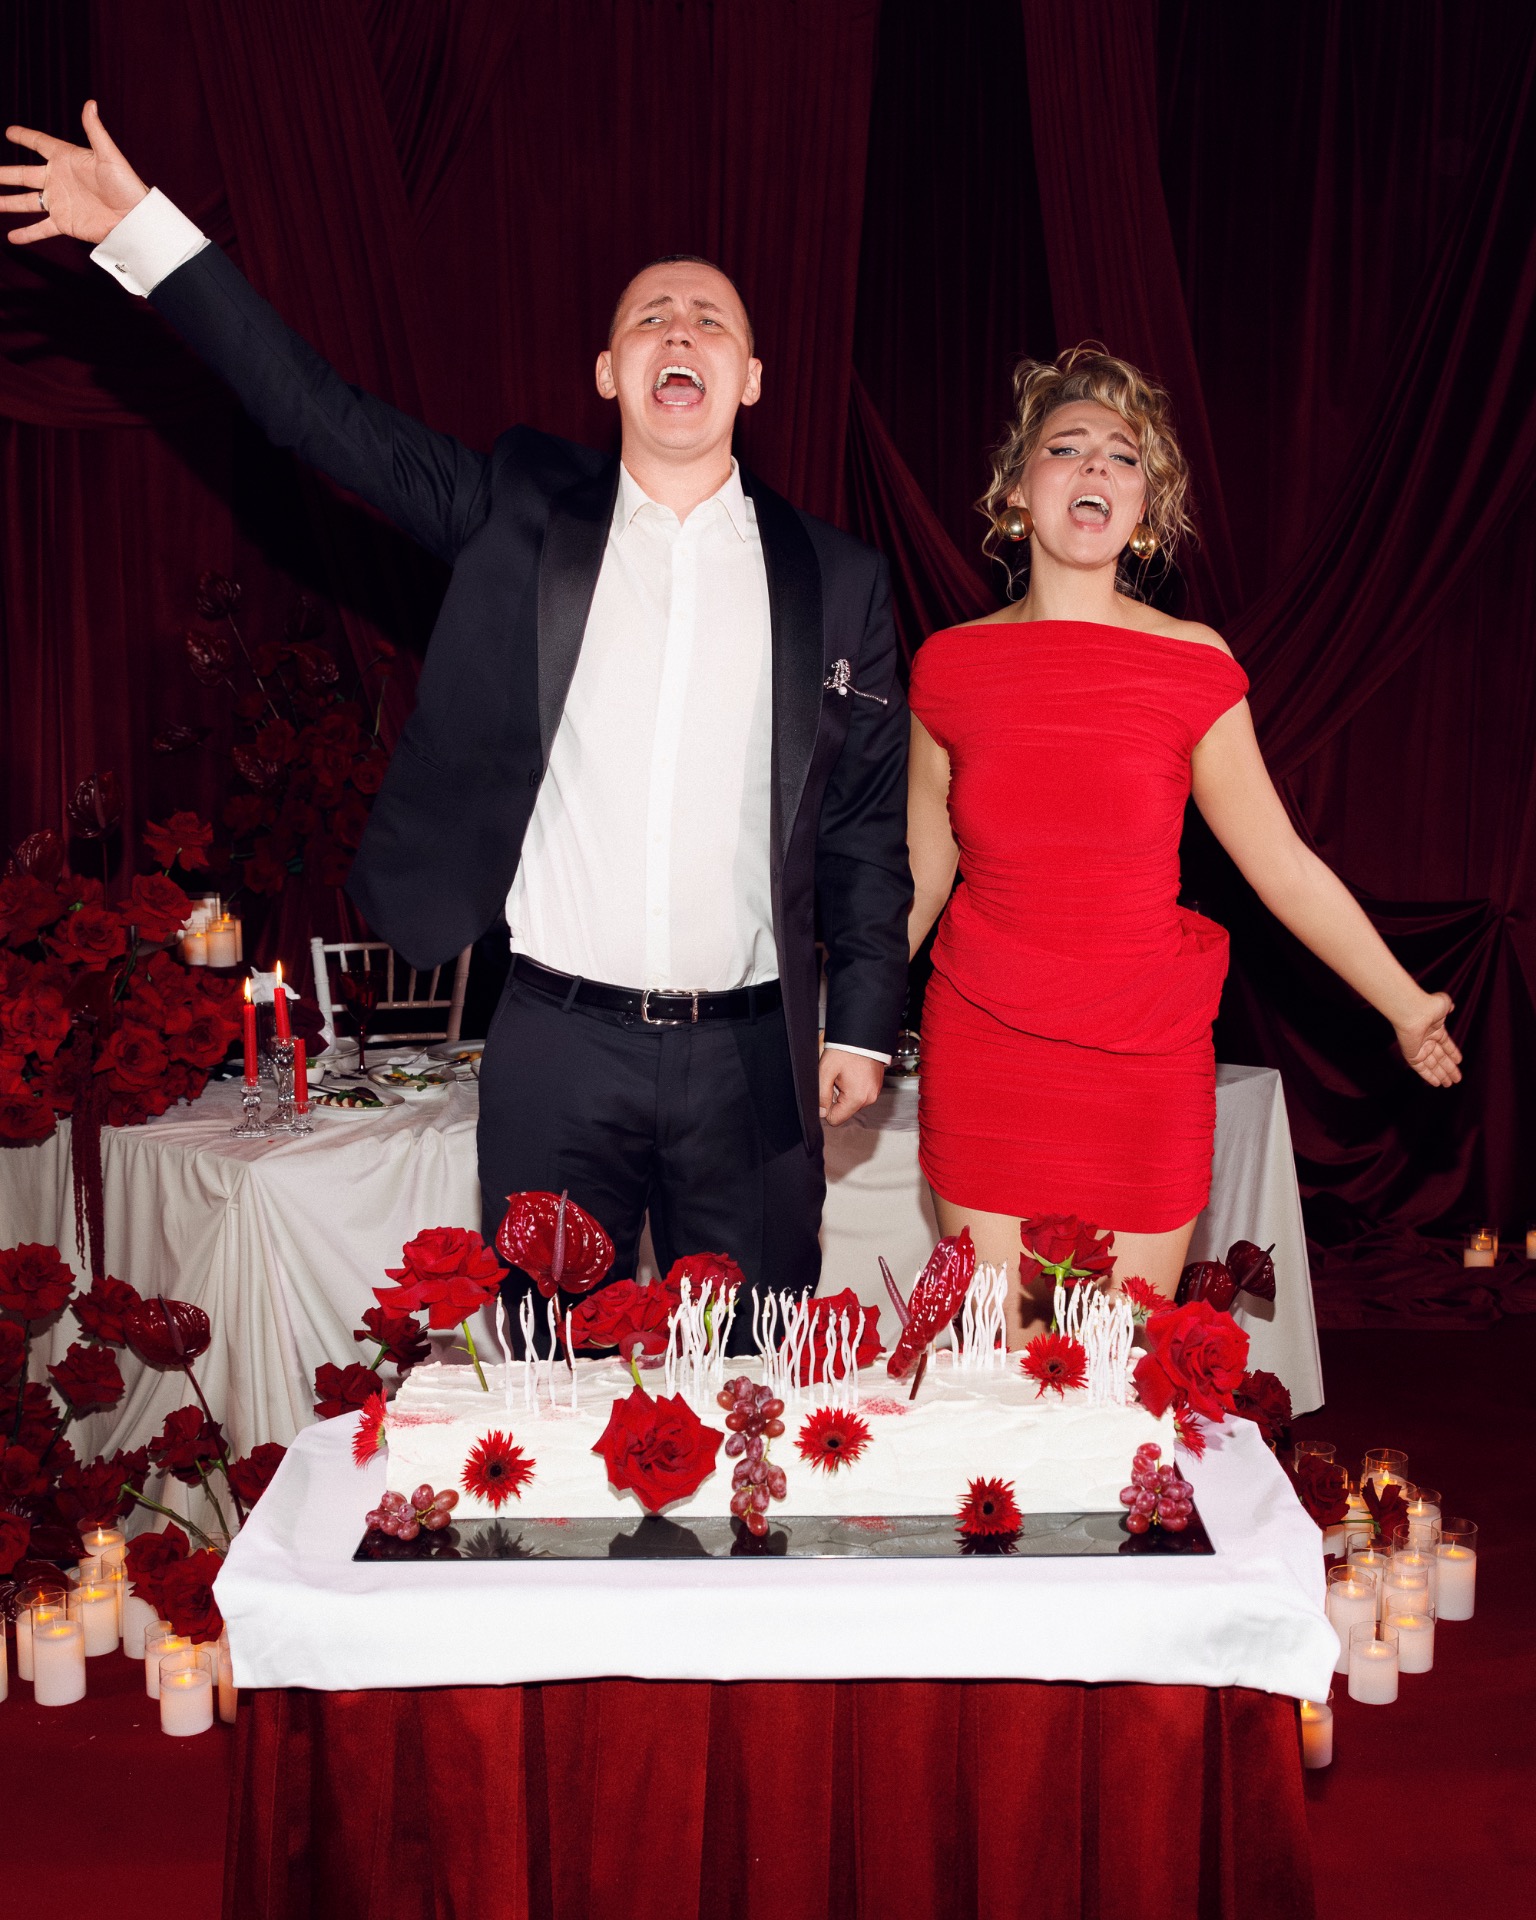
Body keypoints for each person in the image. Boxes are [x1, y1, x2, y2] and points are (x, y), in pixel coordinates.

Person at [3, 104, 912, 1338]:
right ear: (610, 374)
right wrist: (147, 236)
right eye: (649, 315)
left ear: (750, 378)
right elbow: (316, 414)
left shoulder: (839, 578)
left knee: (755, 1389)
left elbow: (864, 827)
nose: (678, 329)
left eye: (710, 318)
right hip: (558, 1049)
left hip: (753, 1061)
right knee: (537, 1381)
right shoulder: (518, 510)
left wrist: (864, 1022)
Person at [905, 344, 1461, 1337]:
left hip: (1144, 1059)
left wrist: (1407, 1004)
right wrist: (833, 1027)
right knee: (1006, 1364)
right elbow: (918, 876)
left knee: (1119, 1364)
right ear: (1017, 493)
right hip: (989, 1048)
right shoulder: (951, 668)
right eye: (1065, 447)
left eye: (1124, 458)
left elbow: (1280, 863)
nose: (1096, 465)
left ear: (1145, 510)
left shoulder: (1192, 666)